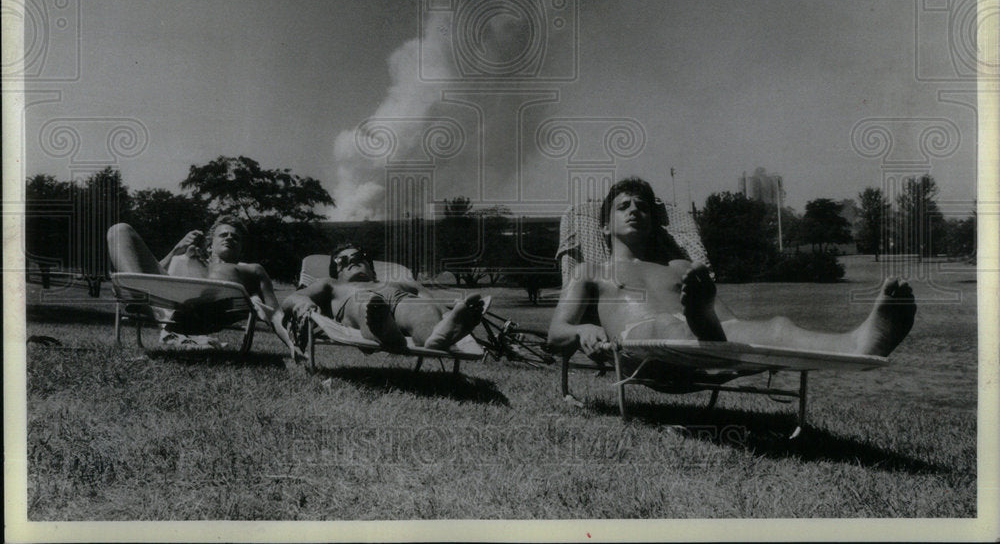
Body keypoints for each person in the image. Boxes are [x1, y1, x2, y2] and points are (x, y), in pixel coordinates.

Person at [548, 177, 916, 360]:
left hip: (711, 342)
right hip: (644, 347)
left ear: (654, 222)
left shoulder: (680, 266)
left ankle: (857, 343)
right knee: (666, 324)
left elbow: (731, 323)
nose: (634, 210)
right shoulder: (591, 271)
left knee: (774, 326)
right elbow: (555, 335)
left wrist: (712, 316)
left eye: (642, 206)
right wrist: (582, 329)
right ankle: (697, 328)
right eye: (623, 205)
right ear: (604, 226)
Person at [107, 217, 299, 357]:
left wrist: (292, 343)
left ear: (241, 249)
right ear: (210, 245)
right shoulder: (187, 258)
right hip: (166, 302)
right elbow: (151, 273)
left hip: (204, 312)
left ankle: (143, 301)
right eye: (223, 235)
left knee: (214, 274)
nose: (230, 238)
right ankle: (143, 299)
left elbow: (274, 313)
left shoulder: (252, 270)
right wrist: (176, 250)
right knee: (119, 230)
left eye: (236, 238)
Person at [281, 241, 485, 352]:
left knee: (422, 308)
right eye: (342, 260)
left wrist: (449, 315)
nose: (351, 261)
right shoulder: (331, 284)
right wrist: (303, 305)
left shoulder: (398, 283)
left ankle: (437, 336)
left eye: (358, 258)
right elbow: (293, 298)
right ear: (336, 270)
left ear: (370, 266)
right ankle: (383, 329)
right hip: (357, 303)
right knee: (369, 304)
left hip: (398, 299)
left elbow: (428, 298)